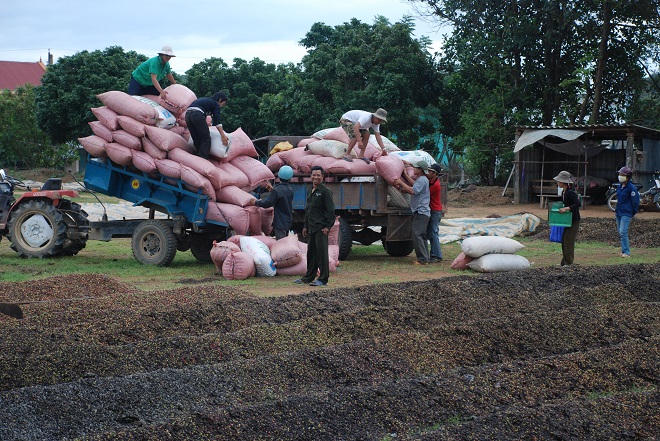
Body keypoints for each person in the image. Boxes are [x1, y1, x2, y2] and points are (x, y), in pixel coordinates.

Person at [295, 166, 335, 286]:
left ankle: (323, 279)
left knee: (321, 254)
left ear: (322, 177)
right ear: (311, 176)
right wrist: (305, 226)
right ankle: (308, 277)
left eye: (318, 175)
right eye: (314, 175)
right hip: (311, 227)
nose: (315, 177)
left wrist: (328, 226)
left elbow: (330, 211)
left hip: (321, 228)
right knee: (311, 253)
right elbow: (308, 210)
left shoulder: (325, 192)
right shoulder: (310, 190)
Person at [394, 162, 431, 265]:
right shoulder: (422, 179)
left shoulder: (422, 180)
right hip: (422, 212)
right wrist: (405, 176)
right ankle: (425, 258)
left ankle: (422, 259)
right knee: (421, 236)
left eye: (415, 168)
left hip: (420, 211)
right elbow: (414, 186)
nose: (413, 169)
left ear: (420, 170)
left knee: (417, 235)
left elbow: (413, 191)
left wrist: (401, 183)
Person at [251, 165, 295, 240]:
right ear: (290, 178)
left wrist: (256, 202)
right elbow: (281, 196)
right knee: (286, 241)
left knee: (281, 242)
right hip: (287, 221)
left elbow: (267, 203)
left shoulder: (277, 190)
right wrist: (272, 190)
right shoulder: (290, 189)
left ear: (279, 176)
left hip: (280, 222)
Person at [184, 92, 229, 159]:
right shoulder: (215, 104)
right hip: (197, 114)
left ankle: (197, 154)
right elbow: (217, 121)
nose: (222, 106)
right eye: (223, 104)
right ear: (220, 100)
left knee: (196, 136)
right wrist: (223, 136)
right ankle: (203, 158)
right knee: (206, 138)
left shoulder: (206, 100)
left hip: (187, 115)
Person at [553, 170, 580, 266]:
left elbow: (578, 204)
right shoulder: (564, 192)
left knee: (568, 243)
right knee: (564, 241)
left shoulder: (570, 193)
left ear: (563, 182)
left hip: (574, 221)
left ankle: (568, 264)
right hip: (567, 221)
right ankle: (564, 263)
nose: (557, 182)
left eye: (559, 181)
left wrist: (566, 208)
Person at [614, 166, 640, 258]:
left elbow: (635, 202)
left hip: (626, 213)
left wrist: (632, 212)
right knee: (620, 232)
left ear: (628, 177)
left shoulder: (631, 188)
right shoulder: (620, 186)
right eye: (620, 174)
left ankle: (626, 252)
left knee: (623, 232)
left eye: (622, 175)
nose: (620, 176)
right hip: (619, 212)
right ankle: (623, 251)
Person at [426, 164, 444, 262]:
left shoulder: (435, 185)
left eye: (430, 171)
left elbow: (424, 192)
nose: (428, 173)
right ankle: (434, 255)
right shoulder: (431, 181)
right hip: (432, 210)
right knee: (431, 233)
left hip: (435, 211)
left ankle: (436, 256)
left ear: (435, 174)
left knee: (433, 232)